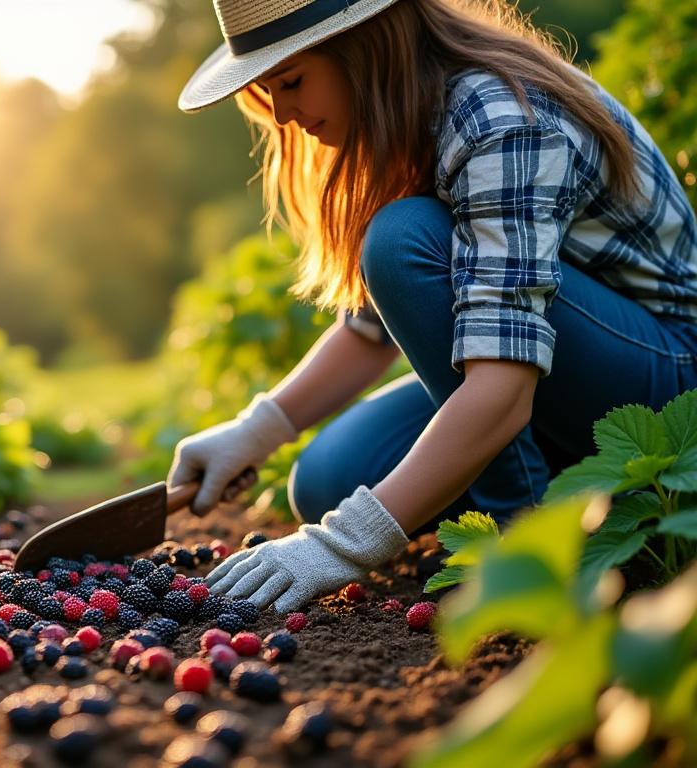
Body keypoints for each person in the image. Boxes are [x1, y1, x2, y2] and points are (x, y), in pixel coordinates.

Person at [167, 0, 697, 612]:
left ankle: (530, 537)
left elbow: (503, 387)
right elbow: (370, 333)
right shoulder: (415, 114)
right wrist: (254, 431)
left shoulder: (501, 118)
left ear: (366, 46)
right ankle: (580, 493)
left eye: (291, 81)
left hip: (670, 378)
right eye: (268, 91)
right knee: (329, 478)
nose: (283, 115)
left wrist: (346, 544)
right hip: (561, 374)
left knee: (400, 239)